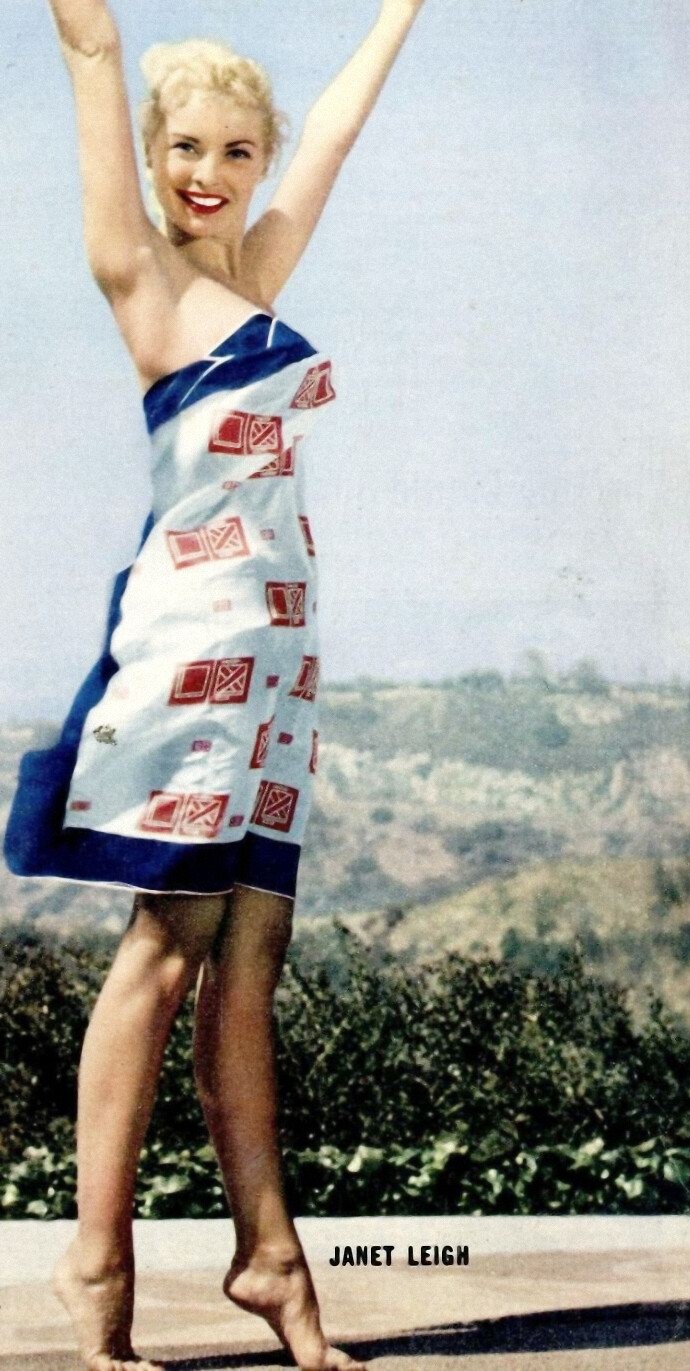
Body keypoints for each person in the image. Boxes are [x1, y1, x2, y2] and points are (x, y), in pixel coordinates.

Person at [4, 2, 426, 1368]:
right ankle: (96, 1265)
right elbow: (88, 48)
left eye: (238, 151)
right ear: (152, 153)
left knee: (249, 967)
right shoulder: (137, 269)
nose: (209, 172)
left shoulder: (258, 274)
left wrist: (401, 7)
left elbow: (338, 135)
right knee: (166, 949)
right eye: (185, 147)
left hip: (278, 670)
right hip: (191, 660)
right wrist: (94, 43)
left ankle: (272, 1263)